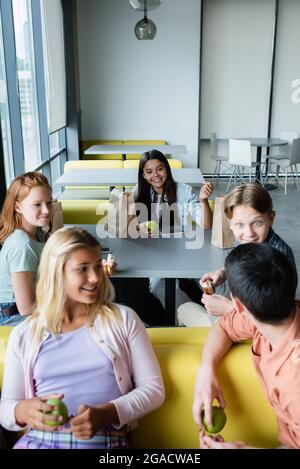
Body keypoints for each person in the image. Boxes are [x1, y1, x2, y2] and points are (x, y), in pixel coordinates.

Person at [0, 227, 164, 449]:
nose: (95, 277)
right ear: (57, 273)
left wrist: (107, 414)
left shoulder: (123, 320)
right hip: (39, 441)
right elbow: (6, 407)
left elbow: (153, 390)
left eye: (97, 266)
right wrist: (23, 411)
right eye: (82, 269)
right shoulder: (24, 334)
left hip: (106, 443)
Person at [193, 243, 300, 449]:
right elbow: (223, 327)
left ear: (238, 305)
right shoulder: (275, 312)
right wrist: (206, 370)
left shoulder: (294, 384)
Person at [177, 182, 297, 327]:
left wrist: (229, 309)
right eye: (240, 225)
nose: (249, 233)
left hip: (255, 332)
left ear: (271, 218)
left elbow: (278, 318)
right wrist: (223, 272)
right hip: (242, 311)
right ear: (230, 223)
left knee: (184, 309)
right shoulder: (249, 243)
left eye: (257, 223)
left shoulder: (277, 259)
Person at [133, 149, 214, 312]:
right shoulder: (138, 192)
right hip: (153, 252)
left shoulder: (183, 191)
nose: (155, 175)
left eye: (160, 169)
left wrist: (203, 200)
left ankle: (228, 312)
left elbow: (206, 226)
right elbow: (124, 223)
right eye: (149, 171)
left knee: (210, 278)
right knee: (156, 285)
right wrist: (137, 227)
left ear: (167, 169)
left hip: (185, 248)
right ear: (143, 175)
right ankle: (185, 315)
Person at [0, 172, 53, 326]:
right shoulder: (22, 246)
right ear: (18, 207)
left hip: (27, 312)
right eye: (37, 204)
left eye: (49, 202)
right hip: (13, 319)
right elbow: (26, 308)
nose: (47, 210)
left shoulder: (37, 233)